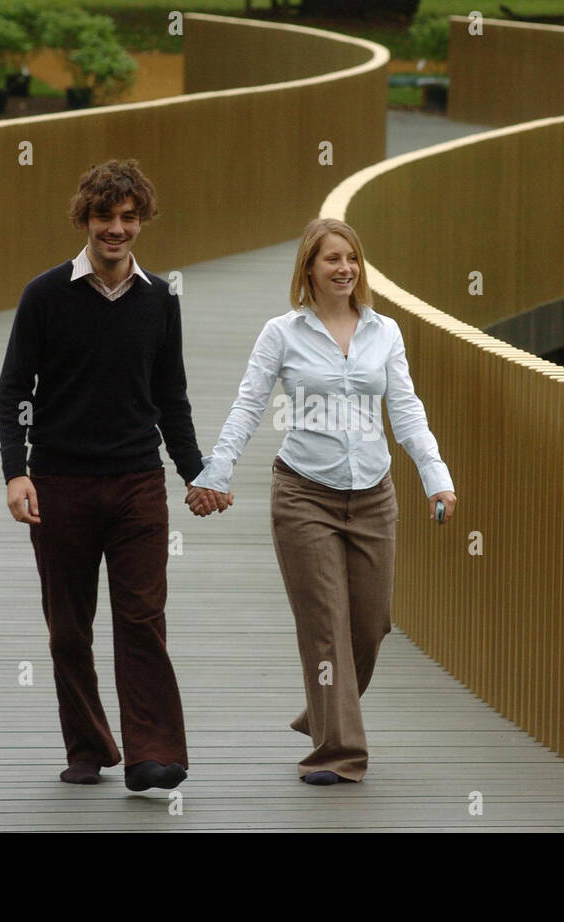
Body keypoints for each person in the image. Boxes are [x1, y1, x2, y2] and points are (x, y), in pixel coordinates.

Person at [188, 217, 457, 785]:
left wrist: (435, 475)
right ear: (308, 268)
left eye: (352, 258)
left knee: (371, 624)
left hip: (375, 497)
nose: (344, 269)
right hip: (303, 494)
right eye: (332, 259)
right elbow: (248, 406)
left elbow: (406, 410)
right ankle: (338, 750)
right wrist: (216, 471)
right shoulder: (281, 334)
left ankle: (323, 710)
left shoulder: (384, 332)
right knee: (325, 628)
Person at [0, 159, 222, 792]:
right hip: (60, 483)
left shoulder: (159, 299)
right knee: (69, 627)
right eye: (105, 217)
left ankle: (153, 753)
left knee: (143, 618)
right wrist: (18, 473)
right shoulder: (45, 295)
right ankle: (89, 745)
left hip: (136, 484)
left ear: (141, 221)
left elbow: (170, 397)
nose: (116, 229)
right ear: (85, 219)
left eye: (128, 218)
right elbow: (15, 389)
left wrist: (196, 473)